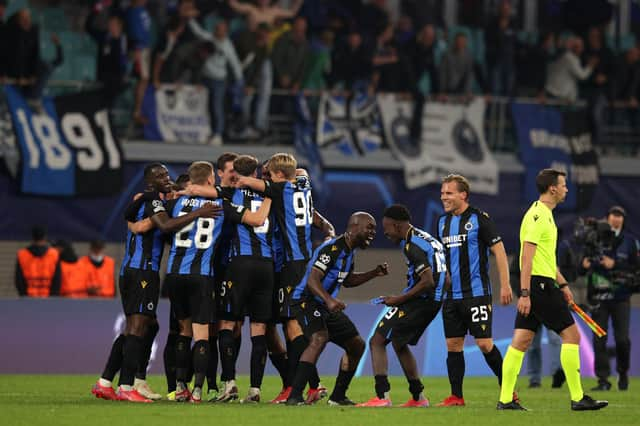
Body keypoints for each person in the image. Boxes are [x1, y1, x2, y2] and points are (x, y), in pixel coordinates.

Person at [91, 163, 220, 403]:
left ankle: (109, 381)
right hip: (141, 271)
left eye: (167, 175)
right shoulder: (154, 202)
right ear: (150, 181)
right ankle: (127, 385)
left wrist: (139, 222)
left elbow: (133, 218)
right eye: (160, 176)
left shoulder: (153, 200)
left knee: (149, 326)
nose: (166, 179)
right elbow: (161, 224)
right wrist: (196, 213)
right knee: (137, 327)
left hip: (138, 271)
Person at [497, 168, 608, 411]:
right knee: (572, 336)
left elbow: (545, 260)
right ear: (553, 188)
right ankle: (578, 398)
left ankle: (505, 400)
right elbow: (527, 259)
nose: (567, 188)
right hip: (539, 286)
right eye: (564, 184)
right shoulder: (538, 215)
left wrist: (564, 284)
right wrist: (525, 293)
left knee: (521, 341)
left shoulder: (544, 214)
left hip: (544, 283)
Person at [165, 161, 271, 403]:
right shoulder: (221, 206)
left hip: (173, 273)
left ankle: (179, 387)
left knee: (182, 332)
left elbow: (163, 224)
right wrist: (270, 196)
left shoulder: (174, 204)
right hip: (202, 274)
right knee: (202, 335)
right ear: (211, 179)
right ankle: (199, 391)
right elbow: (254, 219)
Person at [236, 153, 335, 404]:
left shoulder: (281, 190)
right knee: (287, 326)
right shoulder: (302, 184)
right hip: (298, 263)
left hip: (291, 265)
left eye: (270, 173)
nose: (267, 176)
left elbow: (251, 183)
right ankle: (299, 385)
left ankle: (308, 385)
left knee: (293, 328)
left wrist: (242, 180)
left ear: (279, 176)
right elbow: (301, 174)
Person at [285, 212, 388, 405]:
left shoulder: (349, 252)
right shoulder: (332, 248)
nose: (373, 233)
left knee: (357, 345)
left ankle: (338, 396)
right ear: (354, 226)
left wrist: (374, 273)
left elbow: (347, 280)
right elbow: (312, 280)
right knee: (319, 337)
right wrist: (330, 300)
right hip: (306, 300)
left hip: (323, 304)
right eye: (370, 228)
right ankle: (295, 396)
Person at [359, 204, 446, 407]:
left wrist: (399, 299)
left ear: (397, 225)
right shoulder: (426, 238)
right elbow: (444, 277)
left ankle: (382, 397)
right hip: (432, 301)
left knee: (377, 340)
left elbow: (427, 281)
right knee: (398, 342)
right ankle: (418, 398)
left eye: (386, 228)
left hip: (421, 301)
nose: (385, 233)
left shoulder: (412, 246)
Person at [436, 174, 512, 406]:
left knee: (484, 344)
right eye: (442, 193)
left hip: (476, 294)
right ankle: (456, 397)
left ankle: (509, 391)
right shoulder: (442, 222)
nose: (444, 197)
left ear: (463, 195)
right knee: (453, 345)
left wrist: (505, 284)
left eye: (449, 193)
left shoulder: (480, 219)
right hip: (451, 297)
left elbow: (499, 251)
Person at [579, 205, 637, 391]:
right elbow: (582, 266)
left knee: (622, 339)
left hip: (621, 297)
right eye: (614, 214)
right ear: (607, 217)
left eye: (620, 215)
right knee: (598, 339)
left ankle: (623, 372)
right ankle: (603, 380)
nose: (617, 218)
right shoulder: (593, 238)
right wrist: (584, 264)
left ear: (623, 220)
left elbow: (636, 269)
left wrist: (616, 264)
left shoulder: (629, 242)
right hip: (599, 298)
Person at [15, 226, 60, 297]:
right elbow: (57, 280)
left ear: (32, 238)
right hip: (48, 299)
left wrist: (24, 296)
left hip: (28, 299)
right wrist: (53, 297)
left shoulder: (22, 254)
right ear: (44, 237)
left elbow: (19, 280)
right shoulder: (54, 254)